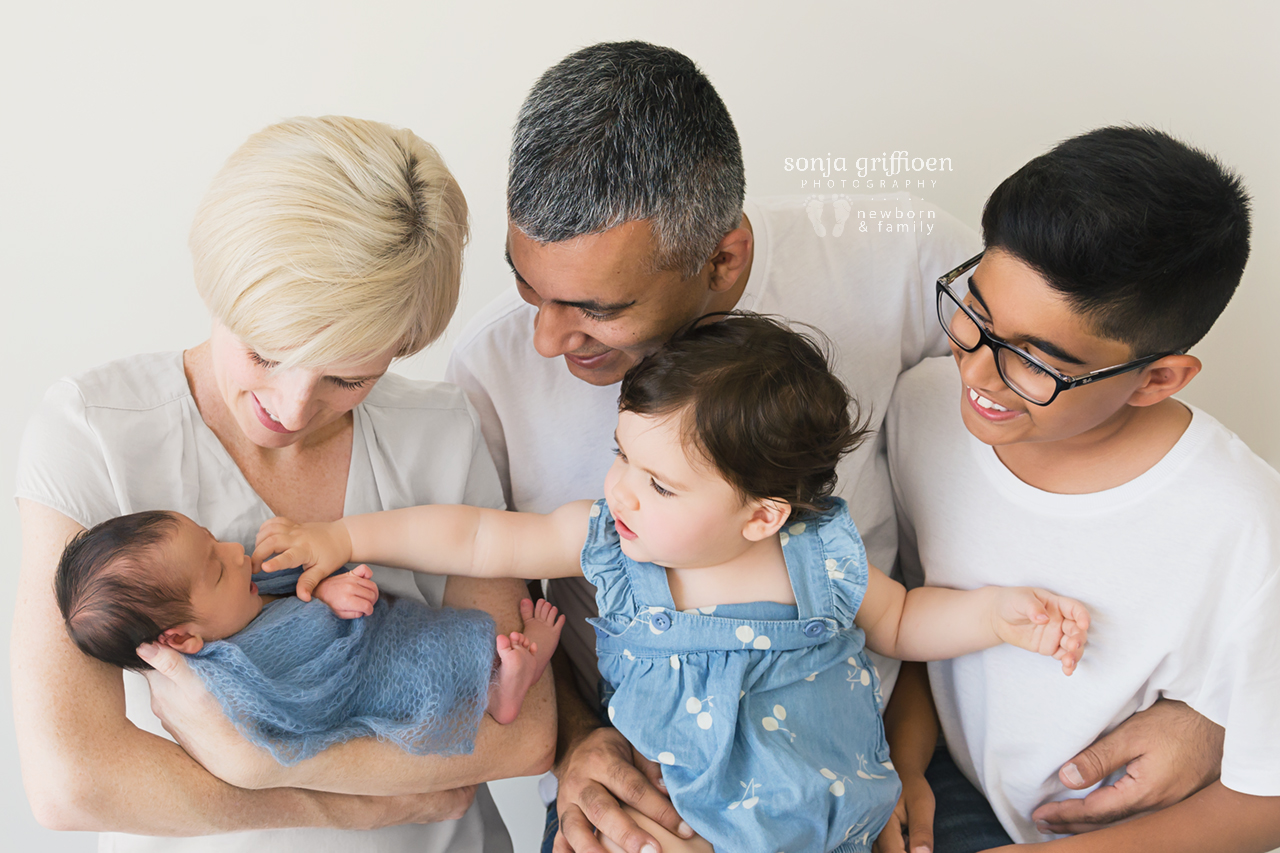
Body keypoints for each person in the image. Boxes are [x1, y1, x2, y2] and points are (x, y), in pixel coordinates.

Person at [443, 41, 1225, 853]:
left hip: (875, 749)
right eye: (528, 285)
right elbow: (495, 594)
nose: (543, 337)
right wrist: (575, 743)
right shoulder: (490, 366)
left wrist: (1211, 708)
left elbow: (1093, 399)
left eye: (594, 308)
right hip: (644, 780)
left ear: (723, 258)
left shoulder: (891, 266)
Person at [257, 313, 1091, 853]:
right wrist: (340, 535)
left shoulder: (817, 557)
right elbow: (474, 534)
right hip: (672, 830)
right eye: (623, 453)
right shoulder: (611, 546)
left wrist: (996, 616)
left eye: (658, 483)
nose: (622, 488)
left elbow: (905, 620)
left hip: (838, 828)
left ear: (762, 515)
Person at [14, 115, 554, 853]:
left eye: (348, 377)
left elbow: (521, 734)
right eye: (267, 351)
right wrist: (350, 806)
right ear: (222, 284)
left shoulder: (444, 429)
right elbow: (76, 778)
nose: (293, 407)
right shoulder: (94, 432)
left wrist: (253, 762)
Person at [885, 126, 1280, 852]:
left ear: (1157, 379)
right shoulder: (921, 408)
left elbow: (1264, 800)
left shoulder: (1246, 528)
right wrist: (901, 768)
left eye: (1035, 363)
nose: (974, 373)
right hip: (959, 793)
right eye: (975, 315)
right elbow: (916, 625)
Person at [55, 509, 562, 754]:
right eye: (216, 569)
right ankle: (506, 686)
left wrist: (313, 574)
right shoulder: (229, 671)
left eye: (213, 540)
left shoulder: (237, 599)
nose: (235, 552)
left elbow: (289, 582)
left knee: (438, 634)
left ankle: (500, 681)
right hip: (378, 678)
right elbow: (296, 703)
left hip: (389, 632)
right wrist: (326, 601)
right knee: (430, 660)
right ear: (181, 640)